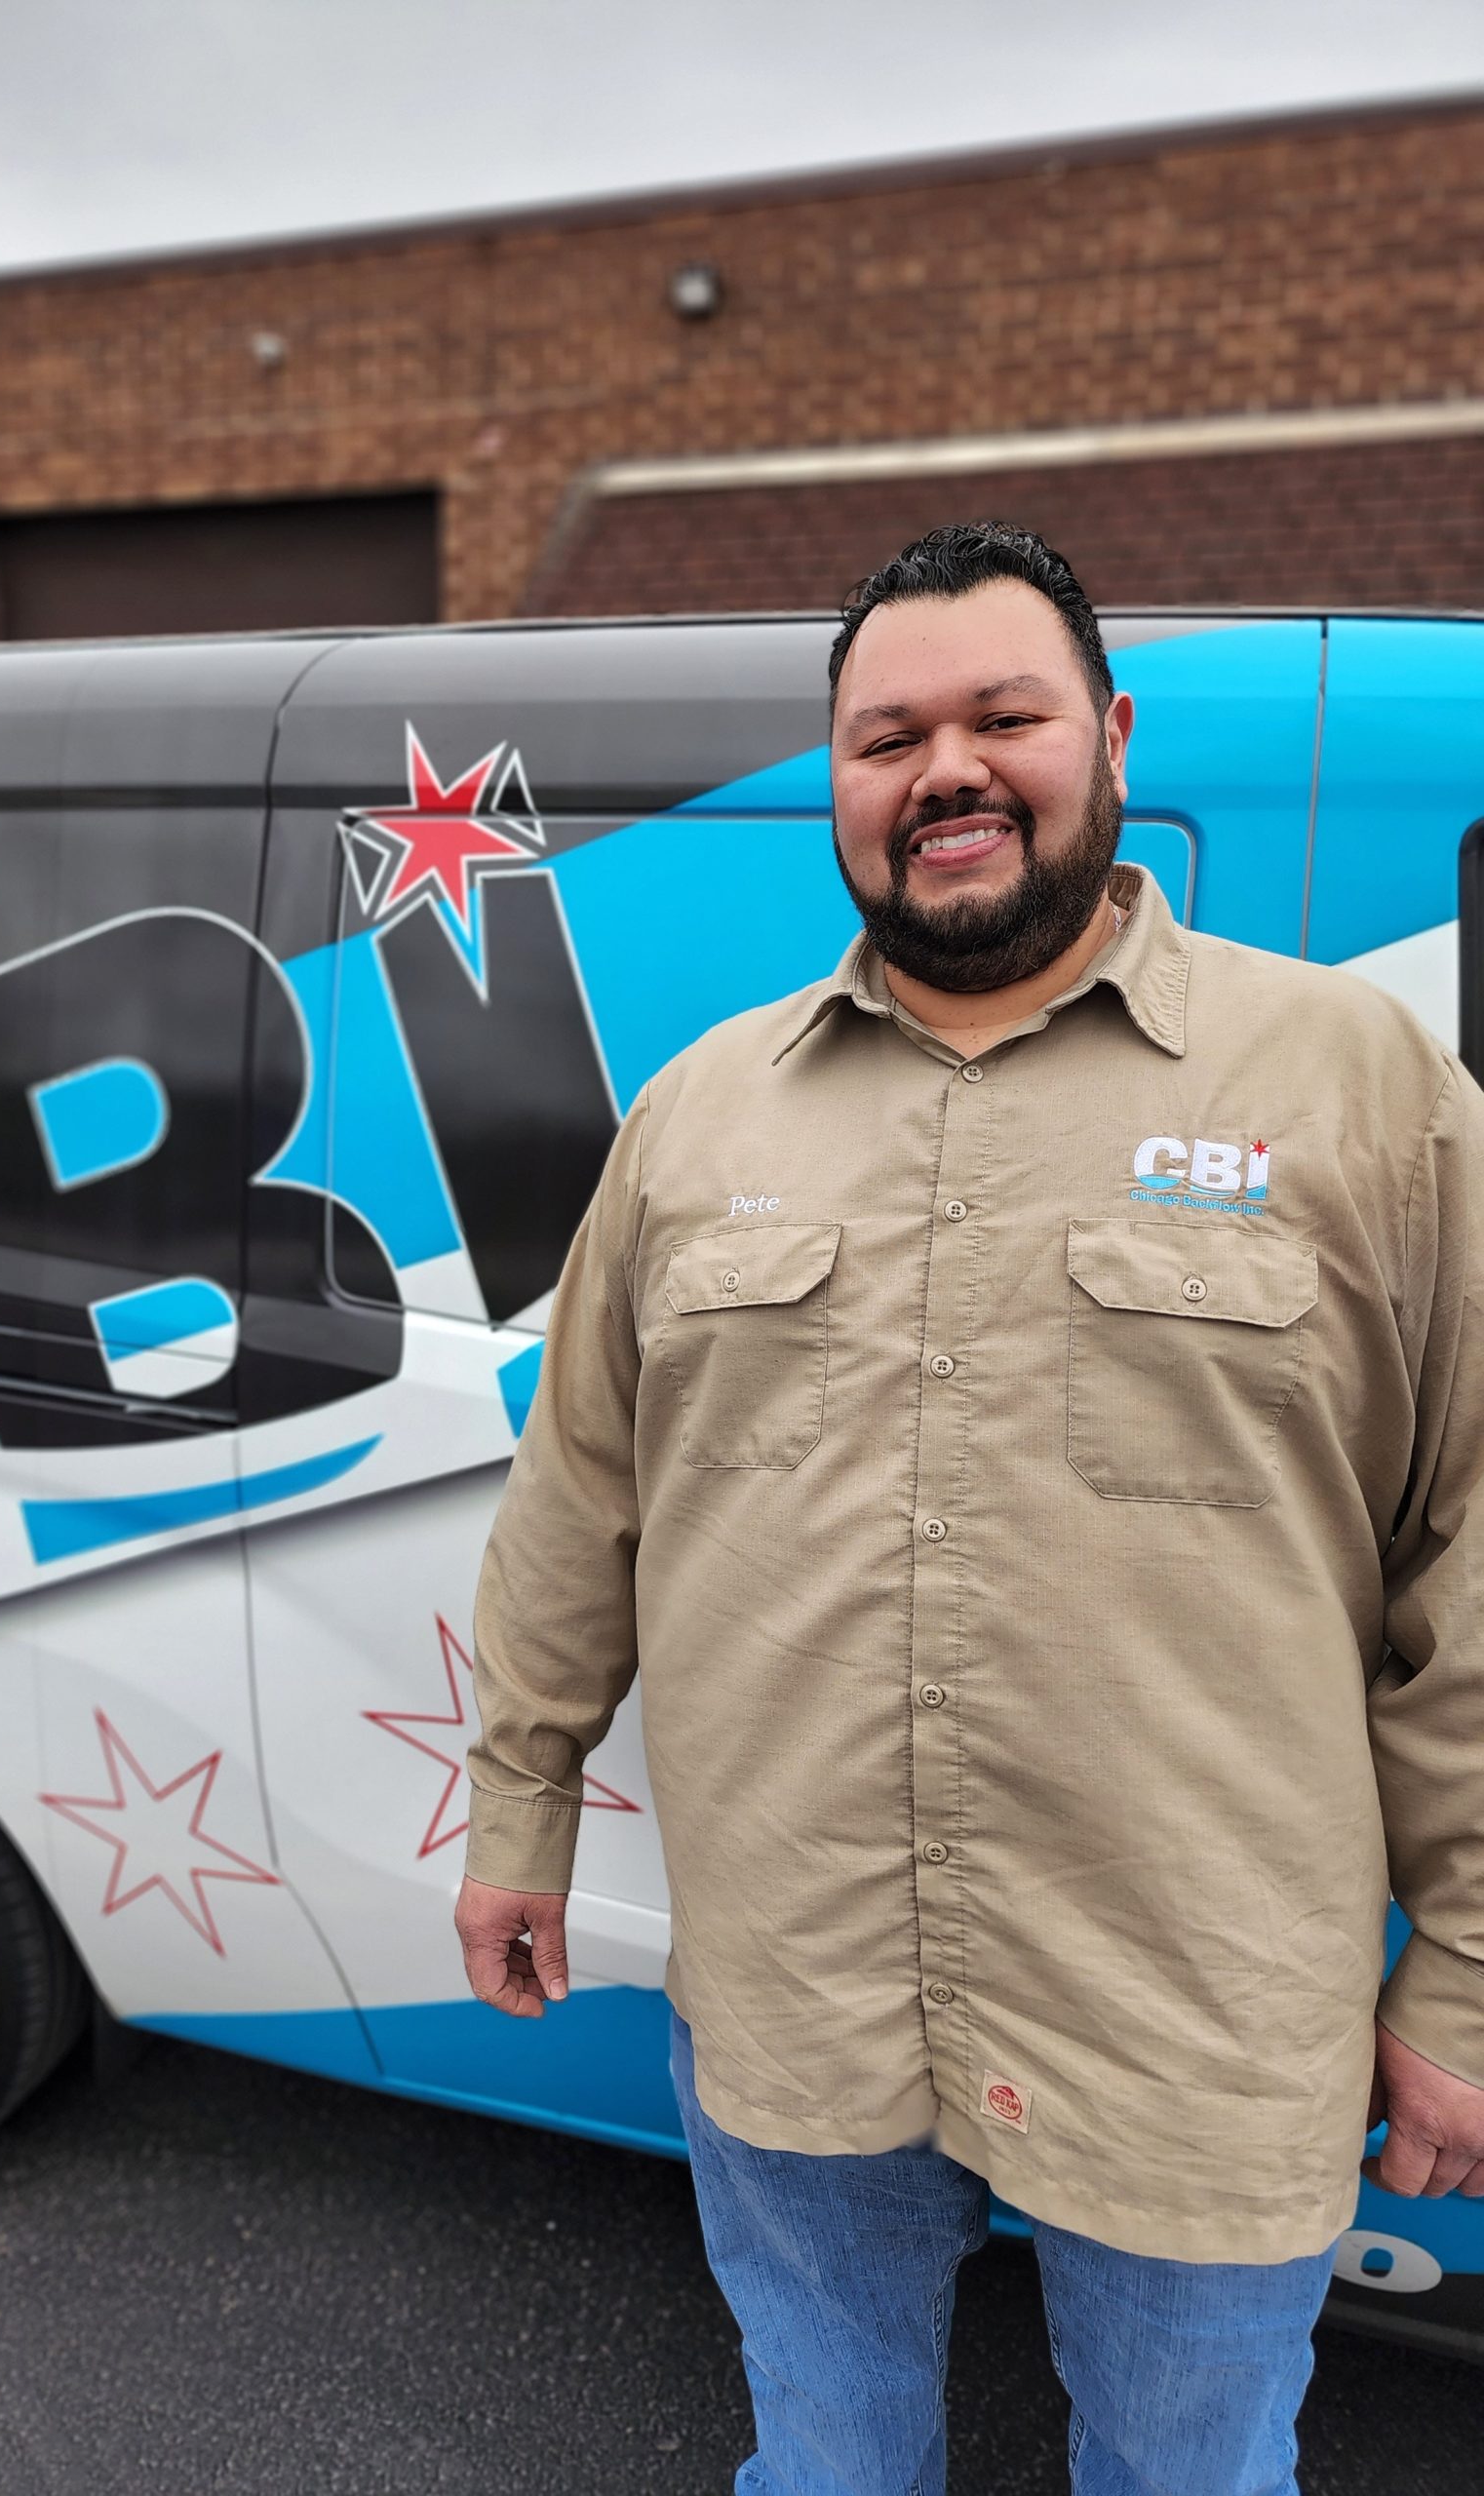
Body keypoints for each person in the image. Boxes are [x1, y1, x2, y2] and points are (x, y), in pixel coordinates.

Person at [452, 522, 1484, 2495]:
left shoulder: (1359, 1084)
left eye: (1004, 715)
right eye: (887, 735)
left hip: (1193, 2014)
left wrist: (1469, 1969)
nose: (948, 770)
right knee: (828, 2469)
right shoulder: (701, 1113)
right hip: (797, 2000)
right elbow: (581, 1493)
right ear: (834, 785)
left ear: (1105, 734)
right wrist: (523, 1801)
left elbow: (1476, 1555)